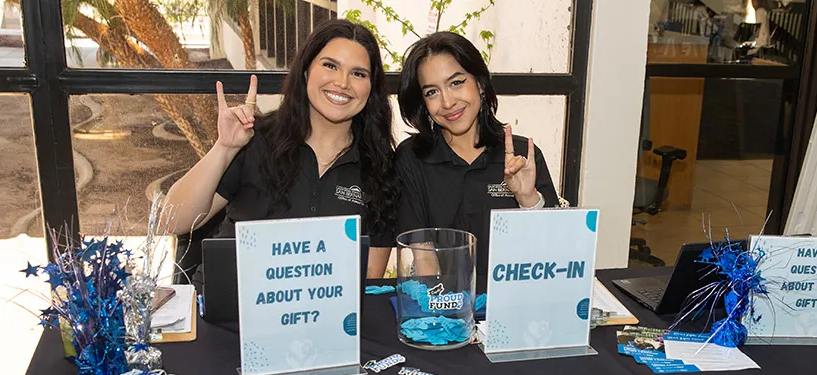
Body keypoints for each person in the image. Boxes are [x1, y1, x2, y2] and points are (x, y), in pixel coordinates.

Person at [163, 19, 398, 285]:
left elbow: (368, 284)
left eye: (359, 73)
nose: (342, 83)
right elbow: (173, 221)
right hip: (225, 313)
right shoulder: (255, 139)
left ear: (371, 87)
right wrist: (224, 148)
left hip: (316, 318)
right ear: (306, 70)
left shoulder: (381, 166)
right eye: (330, 66)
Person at [379, 31, 560, 281]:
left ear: (481, 85)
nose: (448, 102)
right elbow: (423, 257)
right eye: (432, 92)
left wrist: (527, 198)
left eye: (456, 83)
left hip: (513, 303)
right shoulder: (411, 158)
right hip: (445, 308)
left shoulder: (522, 156)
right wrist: (448, 314)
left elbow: (553, 254)